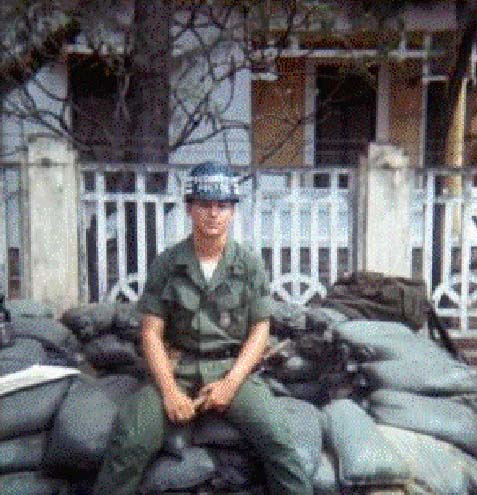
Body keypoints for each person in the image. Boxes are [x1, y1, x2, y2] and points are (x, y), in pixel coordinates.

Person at [93, 162, 313, 495]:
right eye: (204, 205)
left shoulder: (248, 263)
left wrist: (231, 383)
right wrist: (169, 392)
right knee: (129, 442)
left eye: (222, 206)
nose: (213, 214)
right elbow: (151, 332)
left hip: (231, 368)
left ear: (232, 212)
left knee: (280, 442)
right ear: (189, 209)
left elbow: (259, 329)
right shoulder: (167, 263)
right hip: (177, 367)